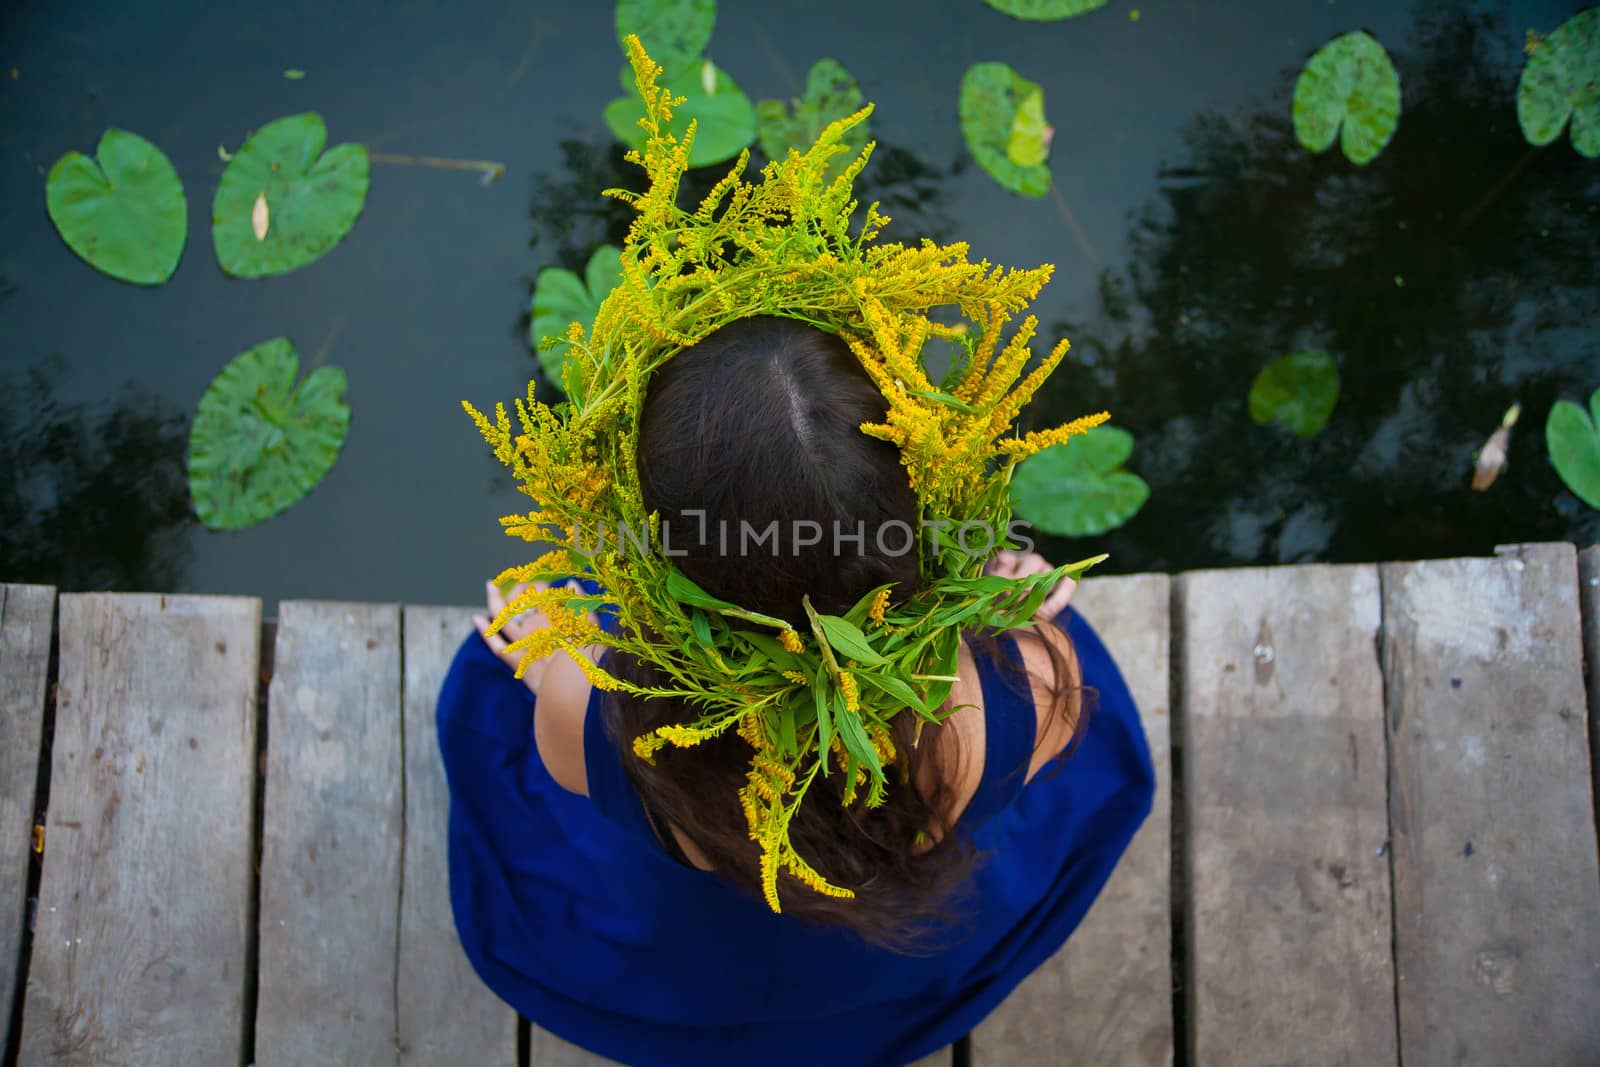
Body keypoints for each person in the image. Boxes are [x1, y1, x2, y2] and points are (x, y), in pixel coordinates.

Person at [439, 38, 1155, 1067]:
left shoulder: (586, 713)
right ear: (917, 511)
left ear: (652, 546)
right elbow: (1052, 689)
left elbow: (545, 668)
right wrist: (1009, 596)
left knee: (491, 674)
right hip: (903, 947)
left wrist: (538, 631)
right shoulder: (1020, 698)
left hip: (687, 943)